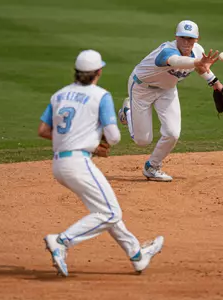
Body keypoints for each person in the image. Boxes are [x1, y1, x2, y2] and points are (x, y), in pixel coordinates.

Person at [38, 49, 164, 277]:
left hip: (59, 164)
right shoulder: (100, 96)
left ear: (76, 73)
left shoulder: (59, 95)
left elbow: (44, 130)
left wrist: (92, 145)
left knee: (103, 209)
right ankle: (62, 241)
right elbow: (114, 137)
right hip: (78, 164)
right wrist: (100, 141)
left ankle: (137, 255)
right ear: (99, 72)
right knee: (111, 213)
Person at [118, 20, 223, 182]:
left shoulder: (198, 51)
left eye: (190, 38)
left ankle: (152, 167)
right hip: (141, 89)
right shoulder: (167, 51)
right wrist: (198, 62)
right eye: (182, 37)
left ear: (197, 39)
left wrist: (217, 84)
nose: (186, 42)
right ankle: (128, 111)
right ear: (176, 37)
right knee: (142, 141)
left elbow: (201, 67)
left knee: (173, 133)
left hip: (167, 90)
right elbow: (175, 61)